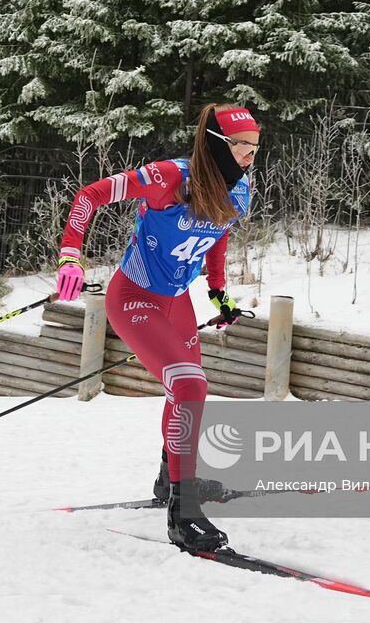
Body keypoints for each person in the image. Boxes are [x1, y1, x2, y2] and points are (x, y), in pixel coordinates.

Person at [54, 103, 259, 552]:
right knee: (191, 386)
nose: (250, 156)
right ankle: (183, 514)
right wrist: (71, 254)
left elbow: (217, 238)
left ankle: (171, 478)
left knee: (182, 391)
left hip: (177, 302)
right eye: (242, 147)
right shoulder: (168, 176)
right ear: (217, 145)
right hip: (134, 297)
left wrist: (220, 294)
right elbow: (90, 194)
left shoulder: (240, 192)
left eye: (254, 147)